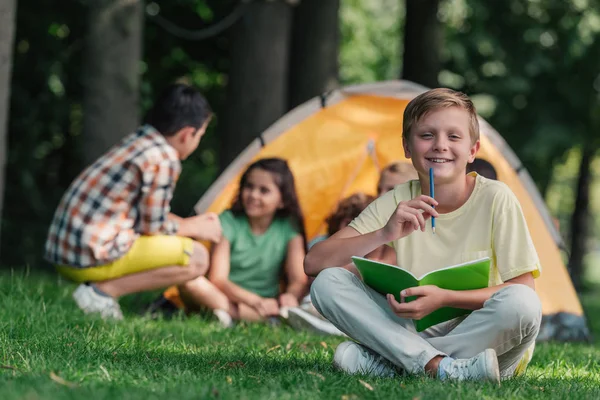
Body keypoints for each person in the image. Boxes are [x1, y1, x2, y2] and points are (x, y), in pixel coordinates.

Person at [304, 88, 542, 383]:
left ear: (472, 150)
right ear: (406, 146)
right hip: (411, 326)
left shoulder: (496, 198)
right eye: (426, 135)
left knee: (523, 304)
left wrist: (445, 298)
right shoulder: (396, 200)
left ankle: (398, 363)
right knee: (328, 282)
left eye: (453, 137)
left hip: (481, 334)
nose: (440, 145)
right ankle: (442, 368)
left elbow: (523, 290)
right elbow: (314, 263)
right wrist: (384, 232)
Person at [44, 83, 221, 320]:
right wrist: (196, 227)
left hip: (66, 251)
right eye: (200, 135)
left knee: (184, 245)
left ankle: (98, 293)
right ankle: (100, 294)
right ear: (187, 133)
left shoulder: (141, 140)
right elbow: (153, 227)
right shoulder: (164, 158)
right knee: (197, 257)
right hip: (86, 257)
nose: (196, 142)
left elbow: (146, 215)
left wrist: (188, 223)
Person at [177, 158, 308, 327]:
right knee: (190, 281)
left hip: (267, 304)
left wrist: (290, 295)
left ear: (282, 200)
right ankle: (254, 318)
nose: (253, 195)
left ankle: (227, 315)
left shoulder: (288, 227)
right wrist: (256, 302)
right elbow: (218, 279)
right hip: (227, 296)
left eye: (264, 190)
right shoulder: (228, 221)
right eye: (249, 186)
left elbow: (298, 280)